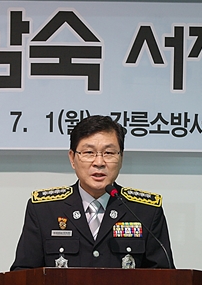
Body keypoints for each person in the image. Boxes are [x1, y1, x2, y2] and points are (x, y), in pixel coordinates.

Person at [10, 115, 175, 270]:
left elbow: (164, 278)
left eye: (109, 153)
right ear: (72, 158)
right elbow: (23, 274)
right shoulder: (44, 210)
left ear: (121, 158)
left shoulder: (145, 211)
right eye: (89, 153)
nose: (99, 162)